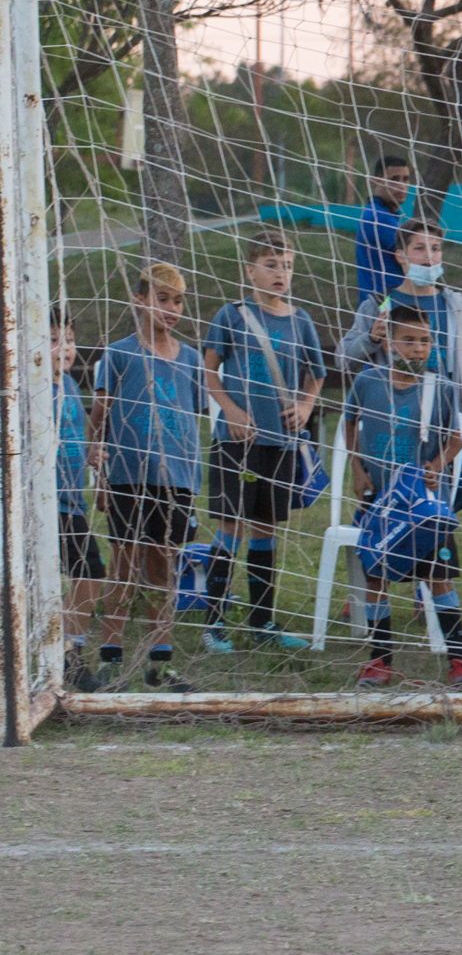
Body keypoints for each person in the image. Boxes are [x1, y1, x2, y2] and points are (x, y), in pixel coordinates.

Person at [199, 229, 326, 653]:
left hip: (280, 442)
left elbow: (316, 373)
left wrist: (305, 406)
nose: (280, 273)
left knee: (266, 527)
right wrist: (231, 411)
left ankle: (262, 622)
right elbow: (209, 371)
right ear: (249, 271)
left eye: (286, 265)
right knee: (231, 525)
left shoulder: (301, 320)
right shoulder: (231, 315)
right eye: (270, 265)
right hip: (237, 441)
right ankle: (214, 623)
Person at [88, 263, 207, 690]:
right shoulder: (119, 354)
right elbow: (99, 417)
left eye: (178, 301)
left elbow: (190, 420)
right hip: (127, 477)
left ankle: (160, 663)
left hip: (175, 481)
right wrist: (99, 470)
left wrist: (191, 478)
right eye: (163, 299)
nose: (171, 309)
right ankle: (111, 659)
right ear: (139, 301)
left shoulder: (191, 359)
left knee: (163, 568)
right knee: (123, 567)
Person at [344, 305, 462, 687]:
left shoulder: (441, 388)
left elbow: (456, 439)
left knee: (439, 578)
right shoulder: (367, 381)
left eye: (425, 341)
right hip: (380, 500)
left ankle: (460, 662)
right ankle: (379, 661)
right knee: (375, 578)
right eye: (409, 340)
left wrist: (438, 464)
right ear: (388, 343)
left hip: (425, 506)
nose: (418, 348)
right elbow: (349, 421)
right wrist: (357, 467)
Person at [336, 217, 462, 449]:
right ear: (401, 256)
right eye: (419, 248)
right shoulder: (378, 305)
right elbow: (342, 360)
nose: (429, 256)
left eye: (435, 248)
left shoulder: (456, 305)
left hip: (445, 420)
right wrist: (371, 338)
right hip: (395, 418)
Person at [54, 311, 110, 691]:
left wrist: (90, 455)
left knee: (89, 572)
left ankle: (65, 653)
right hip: (45, 505)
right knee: (89, 569)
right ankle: (63, 657)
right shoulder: (28, 390)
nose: (65, 348)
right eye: (53, 340)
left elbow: (76, 436)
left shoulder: (71, 386)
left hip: (72, 501)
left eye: (70, 340)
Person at [355, 155, 413, 302]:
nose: (401, 186)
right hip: (384, 306)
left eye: (405, 179)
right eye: (394, 179)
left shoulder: (384, 214)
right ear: (376, 181)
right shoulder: (378, 217)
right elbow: (413, 261)